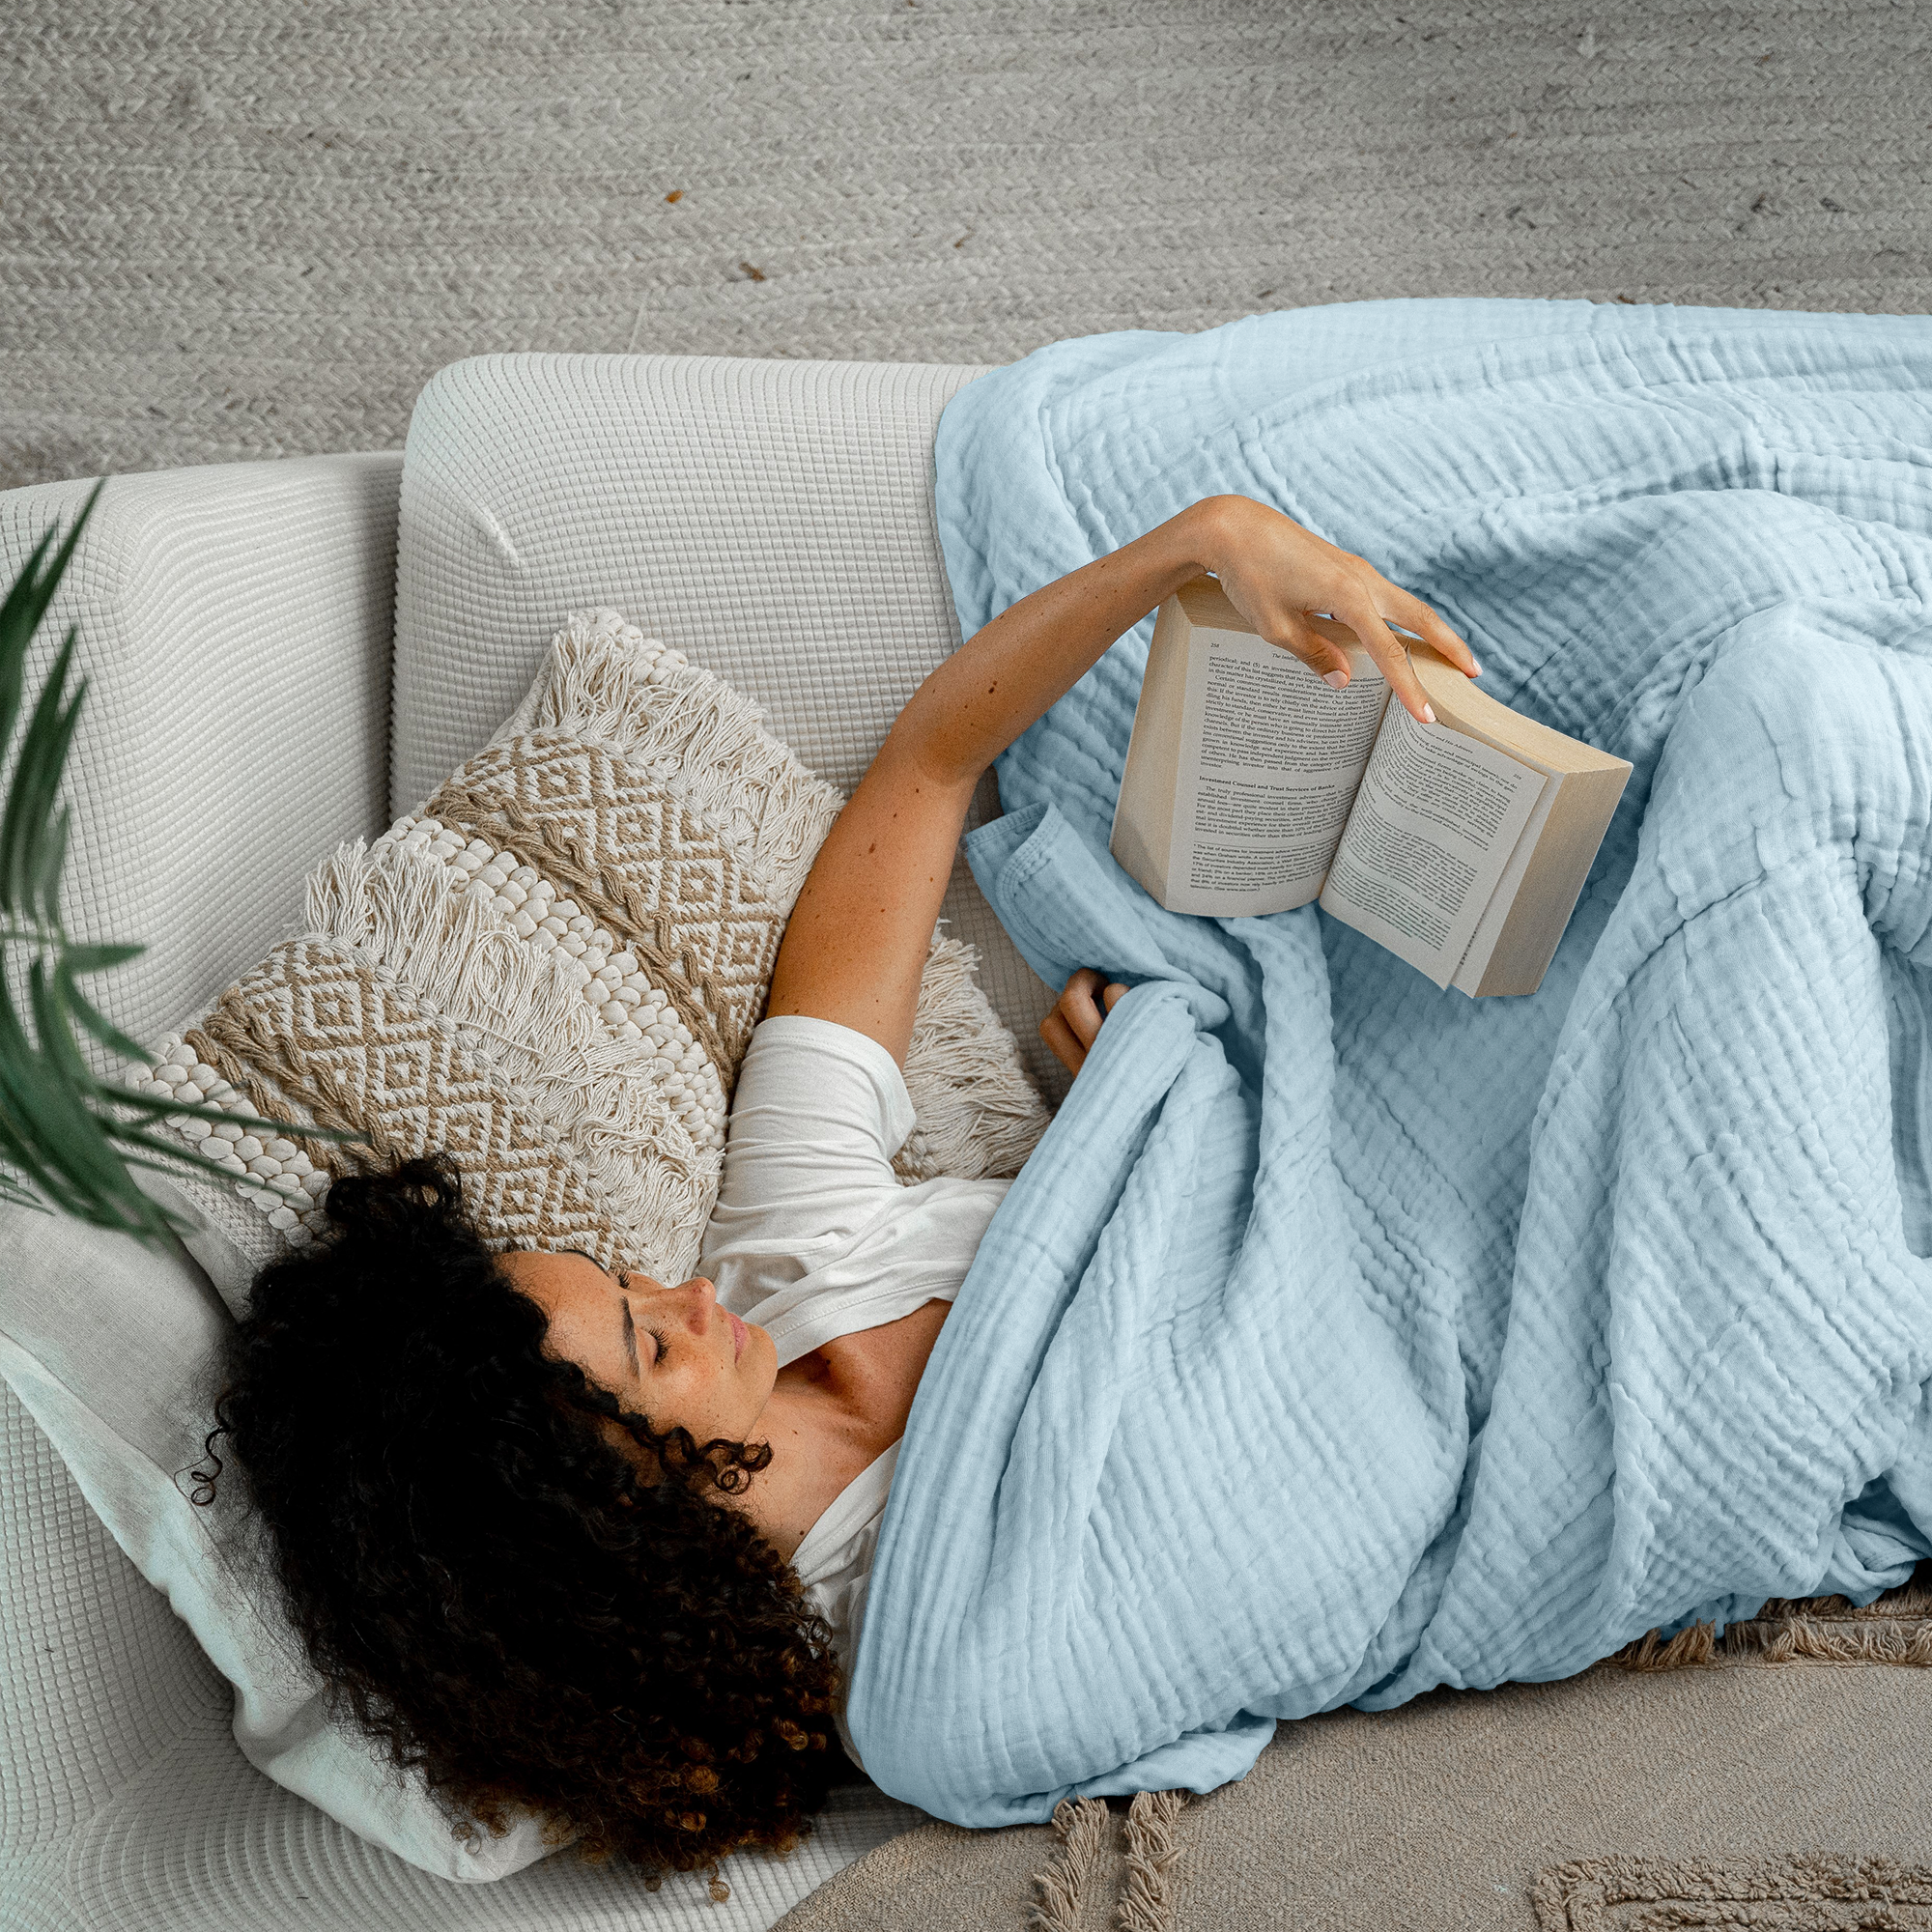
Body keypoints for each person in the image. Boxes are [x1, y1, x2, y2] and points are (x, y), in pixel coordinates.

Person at [198, 495, 1476, 1876]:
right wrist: (1165, 1125)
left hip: (1390, 1169)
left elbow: (927, 774)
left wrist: (1200, 544)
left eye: (632, 1282)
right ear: (608, 1509)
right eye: (648, 1340)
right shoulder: (923, 1680)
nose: (686, 1291)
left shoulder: (787, 1253)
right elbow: (1321, 1528)